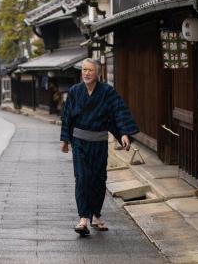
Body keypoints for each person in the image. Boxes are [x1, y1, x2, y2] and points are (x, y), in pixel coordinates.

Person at [60, 58, 139, 235]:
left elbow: (119, 111)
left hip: (99, 142)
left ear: (98, 73)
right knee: (82, 178)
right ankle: (83, 219)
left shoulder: (107, 92)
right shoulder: (74, 91)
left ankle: (95, 215)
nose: (86, 73)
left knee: (98, 179)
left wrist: (124, 133)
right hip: (79, 141)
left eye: (90, 70)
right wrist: (65, 140)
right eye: (84, 70)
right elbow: (67, 116)